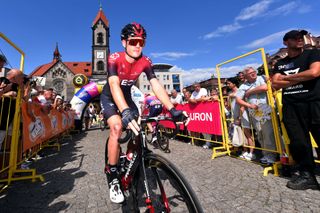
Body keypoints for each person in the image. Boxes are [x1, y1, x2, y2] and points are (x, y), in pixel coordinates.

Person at [100, 22, 187, 203]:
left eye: (141, 42)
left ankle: (131, 160)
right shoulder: (114, 58)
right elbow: (114, 84)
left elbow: (155, 84)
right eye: (133, 42)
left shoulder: (145, 61)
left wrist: (172, 108)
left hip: (127, 97)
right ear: (124, 42)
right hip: (110, 98)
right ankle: (113, 176)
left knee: (137, 132)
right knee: (116, 127)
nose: (138, 46)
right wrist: (124, 111)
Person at [272, 30, 320, 190]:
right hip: (291, 106)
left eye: (301, 37)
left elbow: (314, 72)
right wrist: (301, 76)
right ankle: (308, 176)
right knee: (299, 143)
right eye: (295, 38)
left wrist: (286, 78)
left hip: (314, 102)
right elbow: (275, 84)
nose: (299, 39)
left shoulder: (312, 54)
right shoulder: (280, 64)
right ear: (286, 42)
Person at [236, 67, 277, 163]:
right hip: (254, 111)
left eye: (254, 72)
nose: (253, 74)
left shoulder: (262, 78)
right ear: (246, 76)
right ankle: (266, 154)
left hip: (265, 108)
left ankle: (272, 154)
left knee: (268, 132)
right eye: (250, 73)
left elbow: (265, 87)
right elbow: (238, 99)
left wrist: (249, 92)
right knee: (260, 133)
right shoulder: (243, 86)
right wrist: (248, 105)